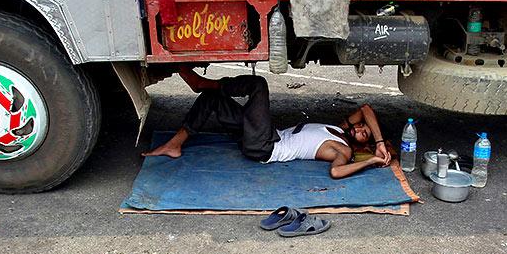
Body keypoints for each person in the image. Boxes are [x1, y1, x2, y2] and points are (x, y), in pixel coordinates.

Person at [143, 67, 392, 179]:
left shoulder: (344, 150)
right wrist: (378, 140)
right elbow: (366, 110)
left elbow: (337, 172)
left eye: (363, 134)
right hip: (260, 134)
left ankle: (201, 83)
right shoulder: (340, 128)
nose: (360, 128)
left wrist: (372, 158)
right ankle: (174, 144)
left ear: (361, 146)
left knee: (258, 85)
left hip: (264, 147)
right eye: (362, 127)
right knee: (213, 100)